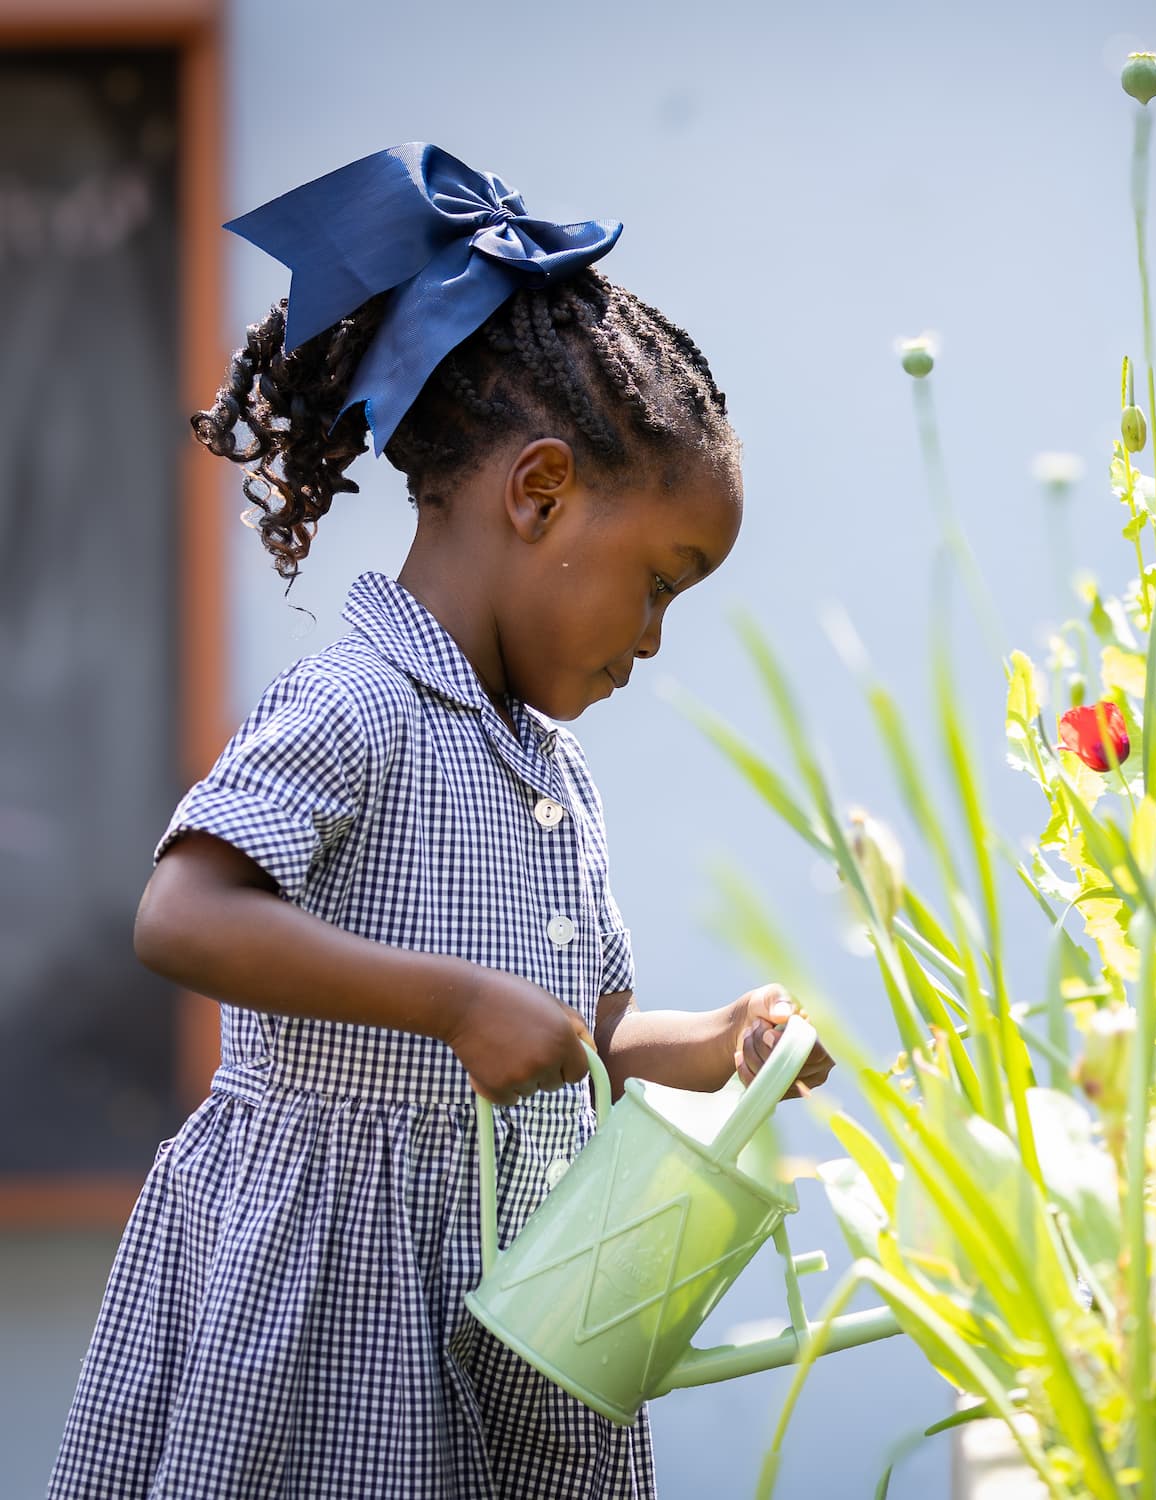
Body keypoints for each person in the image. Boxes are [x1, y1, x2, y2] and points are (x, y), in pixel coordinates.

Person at [48, 142, 833, 1500]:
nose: (655, 637)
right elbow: (183, 914)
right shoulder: (360, 703)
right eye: (658, 583)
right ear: (539, 493)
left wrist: (714, 1044)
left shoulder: (550, 769)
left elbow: (575, 1037)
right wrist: (456, 1004)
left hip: (503, 1309)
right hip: (326, 1313)